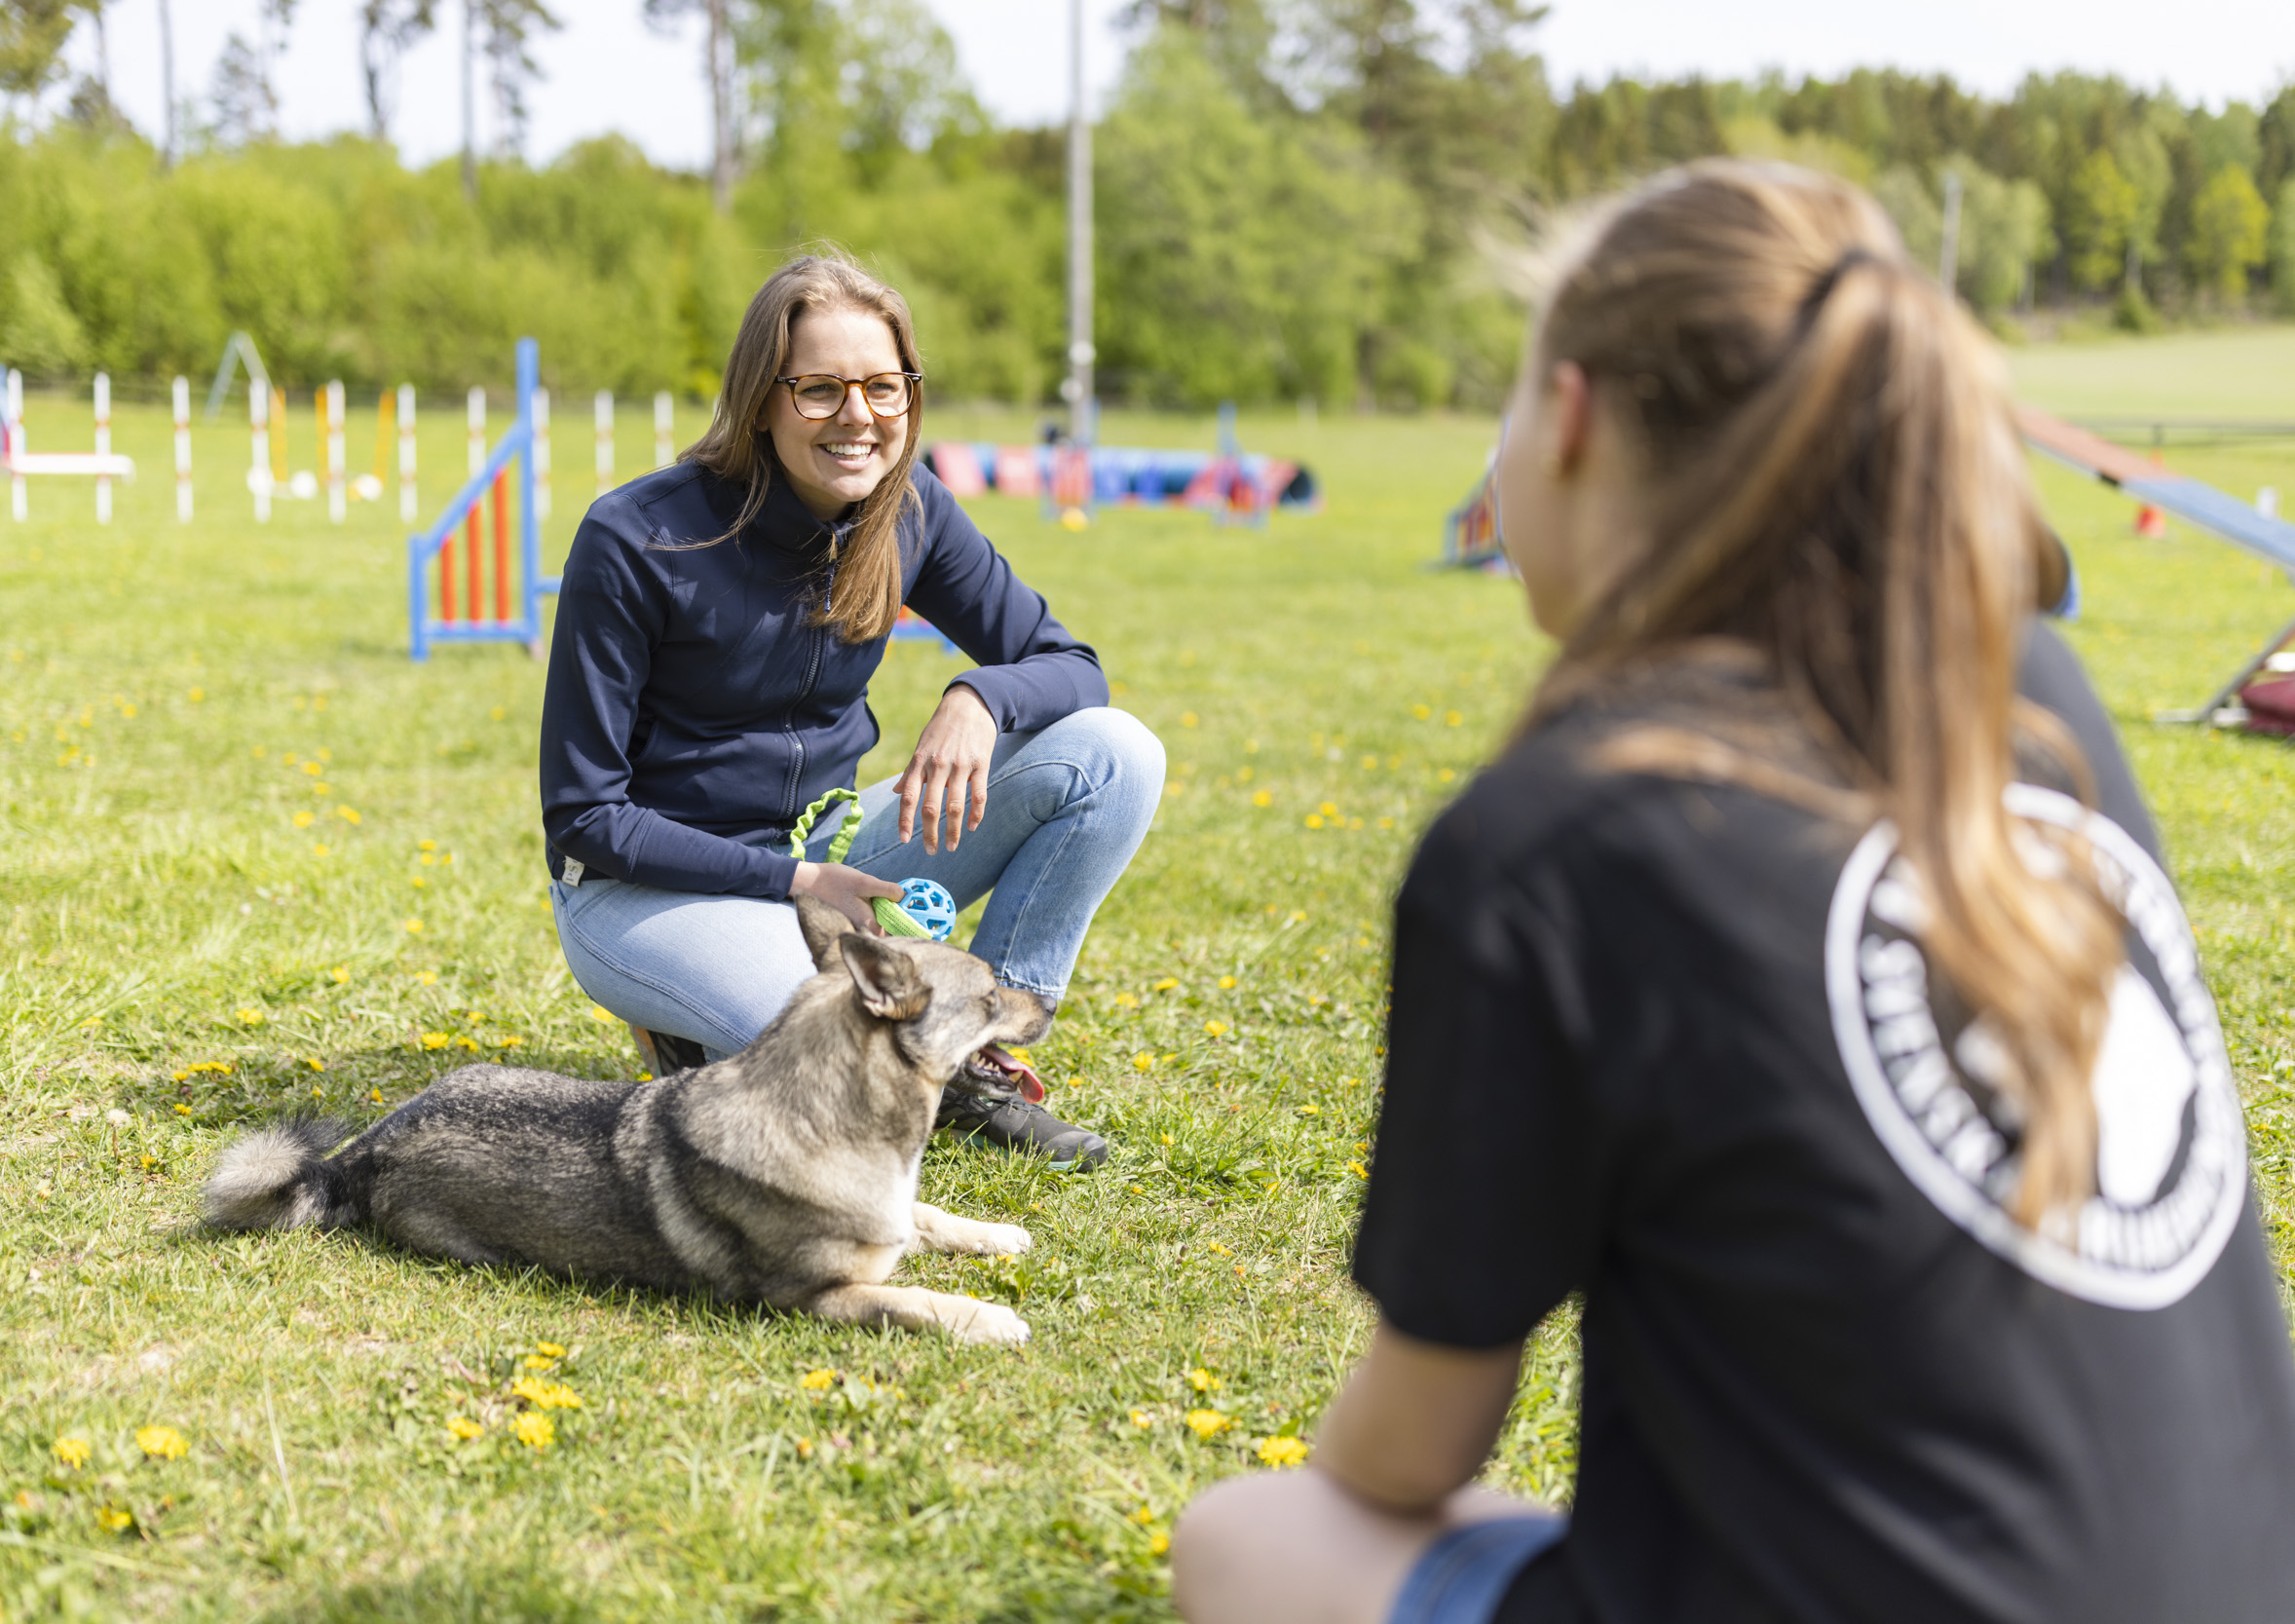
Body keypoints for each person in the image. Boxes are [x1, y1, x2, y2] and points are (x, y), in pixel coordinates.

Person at [1171, 161, 2295, 1623]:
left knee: (1251, 1531)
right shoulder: (2034, 686)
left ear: (1568, 417)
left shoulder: (1555, 838)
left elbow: (1410, 1448)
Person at [539, 253, 1163, 1168]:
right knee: (833, 1056)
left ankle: (976, 1059)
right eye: (821, 389)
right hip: (647, 888)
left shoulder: (909, 511)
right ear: (763, 398)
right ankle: (690, 1030)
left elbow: (1071, 666)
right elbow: (585, 815)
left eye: (882, 386)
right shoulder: (637, 536)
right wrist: (797, 887)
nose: (858, 416)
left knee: (1117, 753)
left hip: (827, 856)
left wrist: (978, 695)